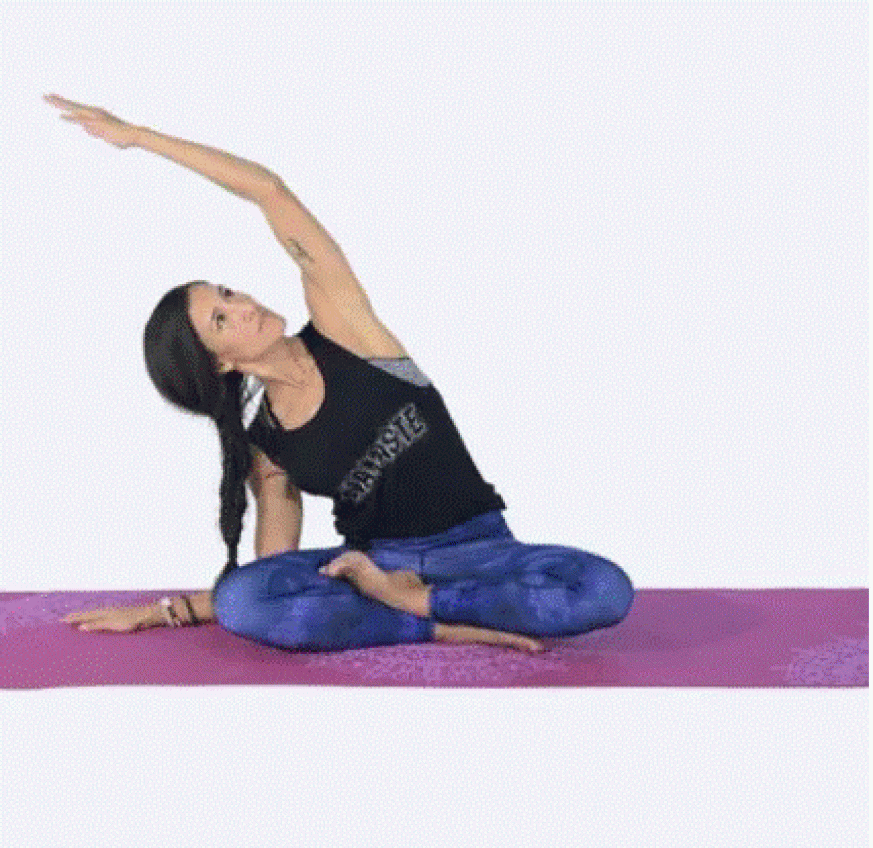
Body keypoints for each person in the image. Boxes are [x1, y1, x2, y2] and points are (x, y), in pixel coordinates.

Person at [49, 94, 634, 653]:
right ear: (219, 362)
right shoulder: (269, 445)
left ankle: (422, 603)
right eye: (223, 319)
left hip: (482, 549)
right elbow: (271, 580)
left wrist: (139, 137)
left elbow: (269, 191)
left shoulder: (344, 328)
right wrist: (166, 611)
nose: (246, 305)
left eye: (228, 293)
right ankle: (433, 623)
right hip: (370, 565)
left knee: (603, 590)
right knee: (248, 600)